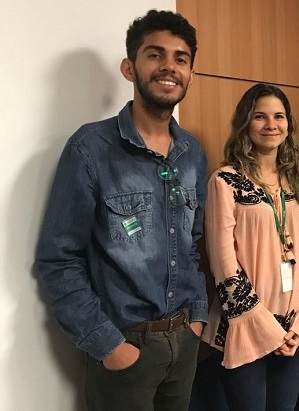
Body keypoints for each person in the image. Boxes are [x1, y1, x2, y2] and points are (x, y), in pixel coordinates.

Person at [35, 10, 207, 411]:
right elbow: (58, 259)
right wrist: (108, 344)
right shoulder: (90, 149)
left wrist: (197, 318)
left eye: (181, 58)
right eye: (155, 54)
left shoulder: (192, 153)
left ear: (190, 74)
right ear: (129, 67)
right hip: (126, 347)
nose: (169, 66)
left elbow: (192, 244)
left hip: (184, 343)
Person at [201, 83, 299, 411]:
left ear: (288, 124)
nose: (271, 124)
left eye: (279, 116)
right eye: (260, 116)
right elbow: (223, 264)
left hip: (293, 327)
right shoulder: (225, 181)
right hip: (244, 325)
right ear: (246, 123)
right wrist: (266, 329)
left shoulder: (297, 180)